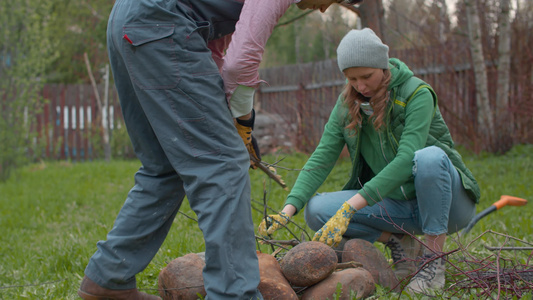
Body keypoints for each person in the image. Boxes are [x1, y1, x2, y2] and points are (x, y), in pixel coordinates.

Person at [77, 0, 367, 299]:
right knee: (224, 165)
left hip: (131, 21)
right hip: (160, 25)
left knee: (163, 167)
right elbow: (241, 61)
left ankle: (108, 278)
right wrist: (242, 119)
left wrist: (225, 117)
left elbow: (213, 53)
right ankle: (234, 294)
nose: (322, 9)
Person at [258, 28, 480, 294]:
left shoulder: (417, 93)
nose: (360, 86)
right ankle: (401, 242)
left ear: (383, 67)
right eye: (352, 79)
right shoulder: (347, 105)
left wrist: (352, 204)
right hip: (400, 209)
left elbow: (407, 158)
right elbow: (321, 158)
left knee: (428, 158)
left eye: (367, 76)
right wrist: (288, 209)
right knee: (317, 209)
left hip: (449, 204)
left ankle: (433, 261)